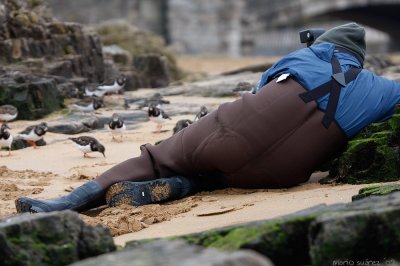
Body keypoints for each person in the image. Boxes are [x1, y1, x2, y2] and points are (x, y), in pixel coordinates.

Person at [15, 22, 400, 213]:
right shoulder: (383, 91)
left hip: (237, 132)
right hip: (281, 175)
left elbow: (262, 90)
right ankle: (185, 186)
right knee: (221, 175)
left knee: (155, 158)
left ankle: (63, 204)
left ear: (325, 44)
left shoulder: (304, 57)